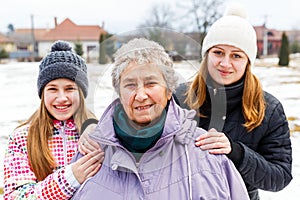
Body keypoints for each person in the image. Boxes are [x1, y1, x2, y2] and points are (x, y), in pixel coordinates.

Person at [71, 38, 249, 200]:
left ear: (169, 90)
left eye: (151, 83)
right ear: (119, 92)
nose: (141, 95)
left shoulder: (205, 153)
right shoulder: (90, 150)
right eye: (130, 84)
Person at [174, 4, 293, 200]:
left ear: (248, 61)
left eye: (236, 55)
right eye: (218, 52)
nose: (225, 63)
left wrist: (237, 152)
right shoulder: (179, 97)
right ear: (206, 55)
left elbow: (280, 176)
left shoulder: (269, 109)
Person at [3, 40, 104, 199]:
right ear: (42, 94)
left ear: (82, 93)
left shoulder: (98, 135)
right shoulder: (22, 139)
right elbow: (15, 196)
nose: (62, 98)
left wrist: (95, 126)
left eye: (70, 88)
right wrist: (69, 179)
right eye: (53, 89)